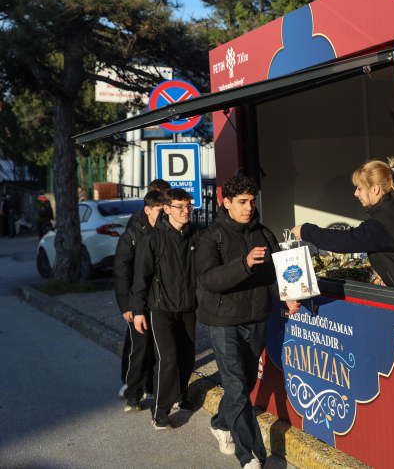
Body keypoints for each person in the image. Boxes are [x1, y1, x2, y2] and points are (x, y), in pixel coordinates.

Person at [196, 175, 301, 469]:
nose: (249, 207)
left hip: (255, 320)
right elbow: (209, 279)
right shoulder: (211, 237)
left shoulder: (263, 234)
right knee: (237, 387)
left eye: (252, 201)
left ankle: (220, 423)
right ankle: (251, 456)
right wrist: (243, 264)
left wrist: (288, 296)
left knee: (246, 385)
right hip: (223, 322)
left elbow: (276, 273)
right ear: (226, 202)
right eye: (242, 202)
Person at [130, 188, 201, 430]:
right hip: (160, 309)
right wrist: (138, 311)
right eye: (180, 206)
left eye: (188, 206)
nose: (186, 211)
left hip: (188, 307)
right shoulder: (154, 239)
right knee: (167, 359)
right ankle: (159, 412)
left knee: (187, 357)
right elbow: (140, 277)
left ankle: (181, 395)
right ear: (167, 209)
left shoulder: (196, 236)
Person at [291, 156, 394, 288]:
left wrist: (306, 231)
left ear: (374, 189)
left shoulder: (382, 222)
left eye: (359, 188)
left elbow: (345, 240)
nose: (355, 193)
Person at [117, 178, 172, 399]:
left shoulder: (168, 227)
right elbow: (123, 271)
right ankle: (130, 384)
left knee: (157, 345)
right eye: (160, 200)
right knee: (137, 344)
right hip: (137, 297)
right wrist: (127, 305)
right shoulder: (134, 229)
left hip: (160, 297)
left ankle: (151, 385)